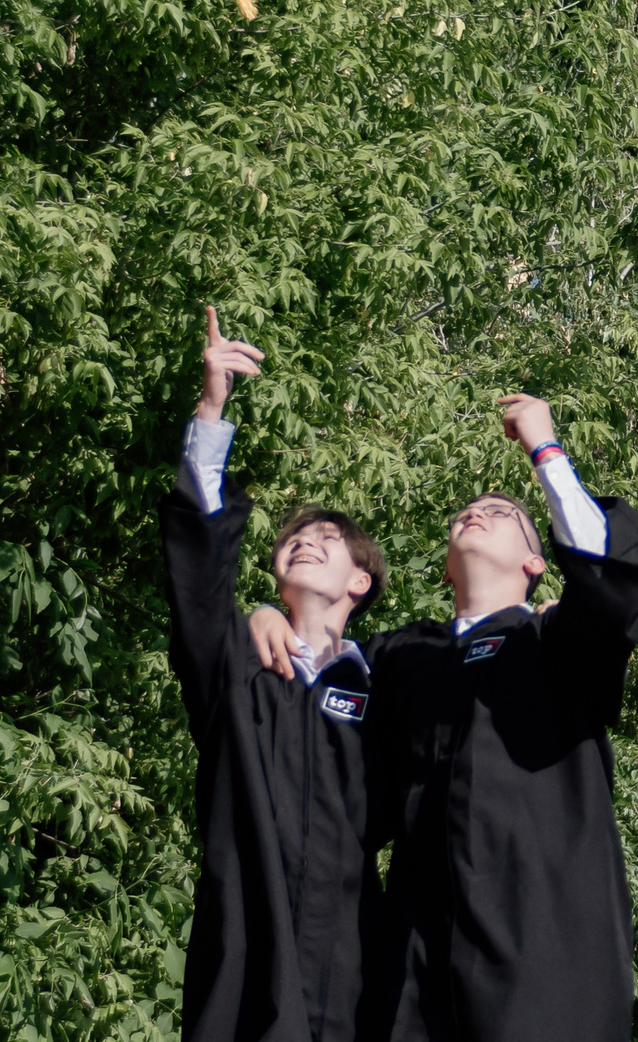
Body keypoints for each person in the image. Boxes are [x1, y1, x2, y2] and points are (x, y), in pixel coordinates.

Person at [354, 392, 638, 1042]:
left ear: (536, 563)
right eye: (467, 513)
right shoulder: (401, 654)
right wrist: (275, 618)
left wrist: (545, 448)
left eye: (501, 514)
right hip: (417, 946)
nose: (476, 513)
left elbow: (608, 566)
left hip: (543, 930)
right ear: (445, 568)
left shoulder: (558, 641)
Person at [161, 308, 389, 1042]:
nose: (305, 542)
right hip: (244, 956)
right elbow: (196, 573)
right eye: (295, 537)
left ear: (361, 583)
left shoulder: (388, 681)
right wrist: (211, 406)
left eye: (328, 540)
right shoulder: (237, 659)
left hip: (352, 964)